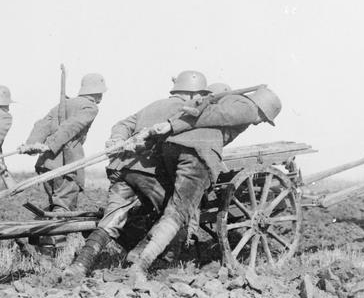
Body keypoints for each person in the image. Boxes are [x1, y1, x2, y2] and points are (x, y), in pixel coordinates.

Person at [62, 70, 210, 280]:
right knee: (176, 215)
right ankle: (160, 265)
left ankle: (79, 265)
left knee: (111, 221)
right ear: (193, 93)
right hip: (149, 172)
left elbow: (122, 125)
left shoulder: (153, 105)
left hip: (122, 168)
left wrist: (118, 139)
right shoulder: (187, 111)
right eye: (200, 94)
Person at [127, 85, 283, 279]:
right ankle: (141, 265)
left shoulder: (227, 100)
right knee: (178, 212)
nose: (260, 123)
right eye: (265, 119)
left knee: (174, 205)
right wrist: (171, 125)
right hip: (197, 153)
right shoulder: (248, 108)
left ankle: (135, 255)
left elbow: (201, 112)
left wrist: (171, 126)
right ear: (262, 109)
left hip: (173, 147)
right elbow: (209, 116)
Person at [18, 73, 106, 255]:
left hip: (47, 163)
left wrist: (32, 145)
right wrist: (51, 145)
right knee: (63, 207)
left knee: (53, 205)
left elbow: (42, 125)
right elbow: (71, 127)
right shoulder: (90, 107)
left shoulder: (64, 104)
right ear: (97, 93)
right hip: (66, 164)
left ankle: (36, 241)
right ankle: (51, 250)